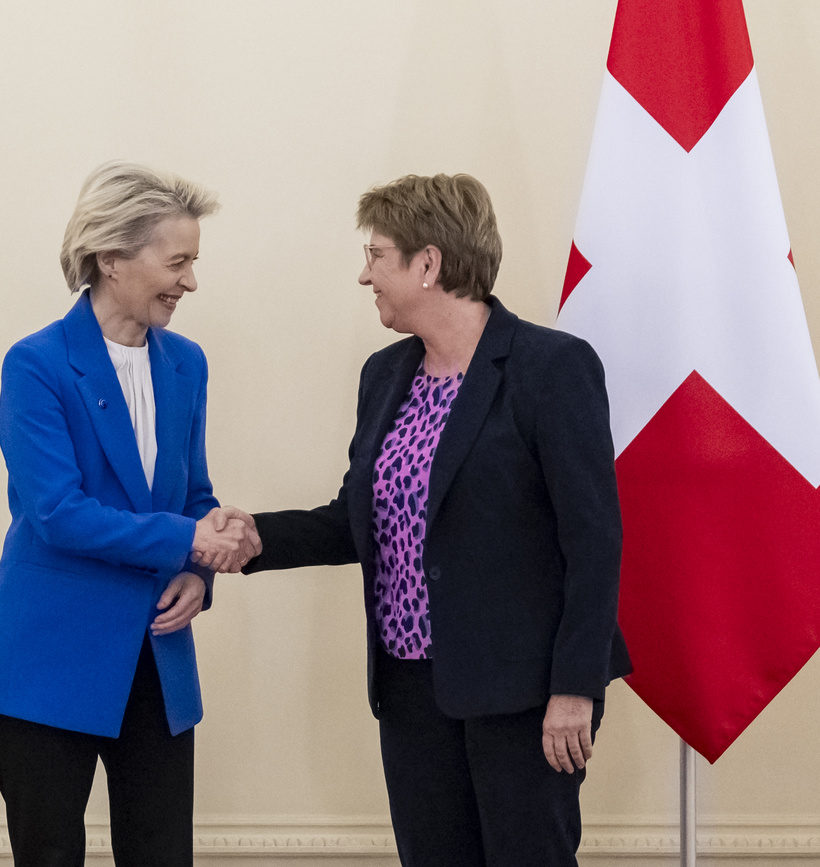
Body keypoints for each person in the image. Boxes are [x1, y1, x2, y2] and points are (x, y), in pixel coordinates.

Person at [229, 174, 631, 866]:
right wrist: (257, 536)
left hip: (523, 695)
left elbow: (594, 541)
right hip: (413, 693)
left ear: (428, 262)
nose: (365, 275)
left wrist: (575, 687)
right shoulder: (385, 375)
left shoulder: (549, 367)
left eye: (376, 254)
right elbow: (362, 520)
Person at [0, 160, 259, 867]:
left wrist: (200, 567)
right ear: (110, 257)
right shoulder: (35, 365)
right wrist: (187, 537)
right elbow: (58, 512)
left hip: (156, 660)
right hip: (47, 661)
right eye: (178, 261)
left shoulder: (186, 362)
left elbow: (192, 493)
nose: (190, 280)